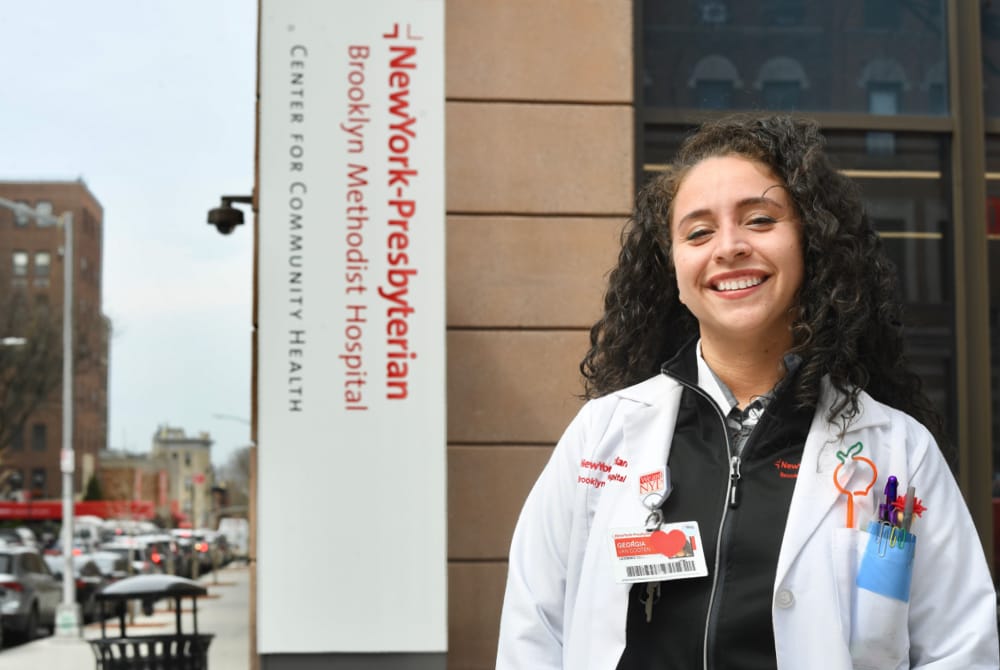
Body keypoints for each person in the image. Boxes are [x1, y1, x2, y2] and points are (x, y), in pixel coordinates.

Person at [496, 114, 1000, 669]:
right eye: (698, 232)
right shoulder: (603, 436)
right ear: (673, 269)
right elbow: (533, 633)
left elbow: (960, 650)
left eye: (760, 220)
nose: (729, 247)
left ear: (810, 244)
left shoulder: (898, 455)